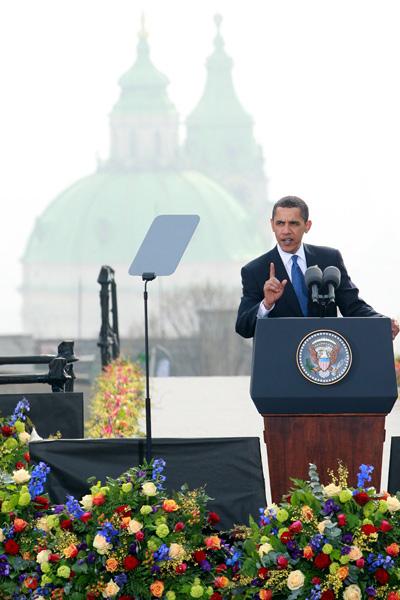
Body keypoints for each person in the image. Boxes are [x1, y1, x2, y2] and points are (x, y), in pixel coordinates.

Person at [235, 196, 399, 340]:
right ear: (272, 225)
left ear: (307, 225)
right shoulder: (255, 271)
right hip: (281, 363)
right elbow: (243, 327)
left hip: (324, 362)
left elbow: (352, 306)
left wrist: (382, 322)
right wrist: (266, 304)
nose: (286, 231)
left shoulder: (329, 259)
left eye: (293, 223)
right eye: (280, 223)